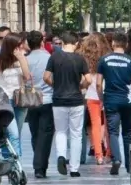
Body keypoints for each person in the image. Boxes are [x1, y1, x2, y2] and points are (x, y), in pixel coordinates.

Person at [96, 31, 131, 176]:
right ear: (126, 44)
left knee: (113, 132)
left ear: (113, 43)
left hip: (111, 99)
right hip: (128, 100)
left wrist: (102, 98)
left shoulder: (104, 60)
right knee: (128, 133)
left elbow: (98, 84)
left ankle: (116, 159)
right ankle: (130, 165)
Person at [45, 32, 90, 178]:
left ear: (62, 42)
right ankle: (74, 168)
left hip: (58, 100)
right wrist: (81, 86)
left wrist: (55, 85)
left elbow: (46, 77)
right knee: (76, 134)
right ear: (76, 43)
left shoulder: (54, 57)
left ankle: (61, 156)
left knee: (61, 131)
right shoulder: (80, 59)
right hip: (76, 100)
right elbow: (88, 80)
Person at [0, 33, 31, 158]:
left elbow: (27, 77)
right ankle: (14, 163)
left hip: (20, 99)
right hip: (4, 101)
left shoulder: (22, 58)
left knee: (16, 132)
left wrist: (22, 59)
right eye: (19, 44)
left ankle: (10, 160)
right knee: (13, 134)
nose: (22, 47)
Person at [25, 31, 54, 179]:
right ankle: (40, 166)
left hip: (31, 99)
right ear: (42, 41)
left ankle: (38, 163)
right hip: (47, 99)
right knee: (46, 134)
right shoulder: (49, 58)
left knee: (35, 133)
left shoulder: (26, 60)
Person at [79, 33, 110, 165]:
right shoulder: (108, 56)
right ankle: (110, 151)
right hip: (108, 93)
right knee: (109, 125)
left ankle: (98, 155)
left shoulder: (84, 58)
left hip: (92, 95)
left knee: (95, 125)